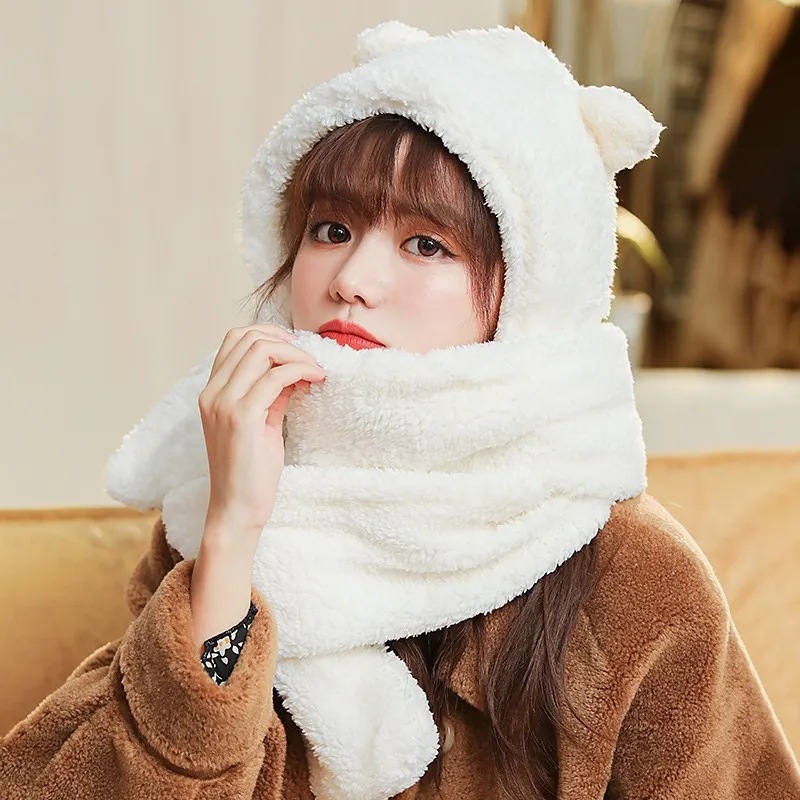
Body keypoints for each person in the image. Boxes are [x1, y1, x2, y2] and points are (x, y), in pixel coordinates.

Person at [2, 21, 798, 800]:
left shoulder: (629, 573)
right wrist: (233, 534)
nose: (351, 279)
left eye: (426, 244)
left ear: (528, 293)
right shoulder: (217, 512)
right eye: (331, 229)